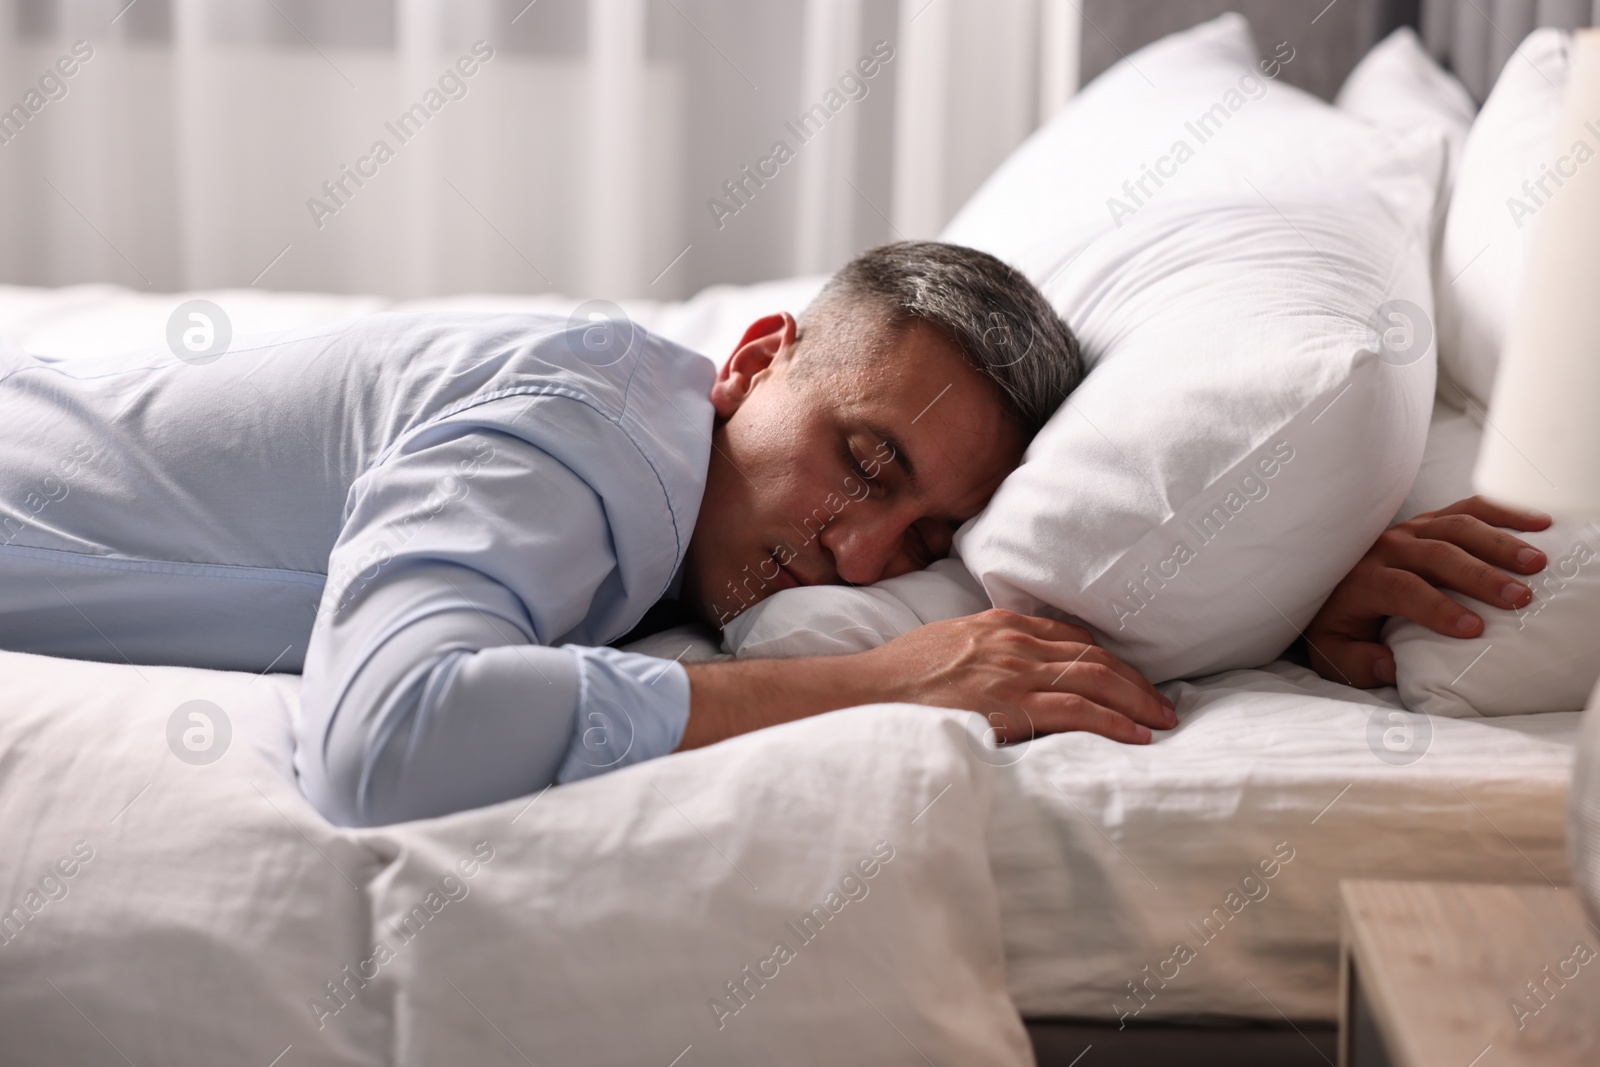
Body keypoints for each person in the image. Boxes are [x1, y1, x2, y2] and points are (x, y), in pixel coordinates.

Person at [0, 242, 1551, 827]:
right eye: (859, 459)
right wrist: (881, 685)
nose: (864, 556)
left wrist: (1268, 590)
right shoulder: (583, 434)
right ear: (749, 364)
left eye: (929, 527)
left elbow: (999, 606)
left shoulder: (740, 500)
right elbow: (389, 741)